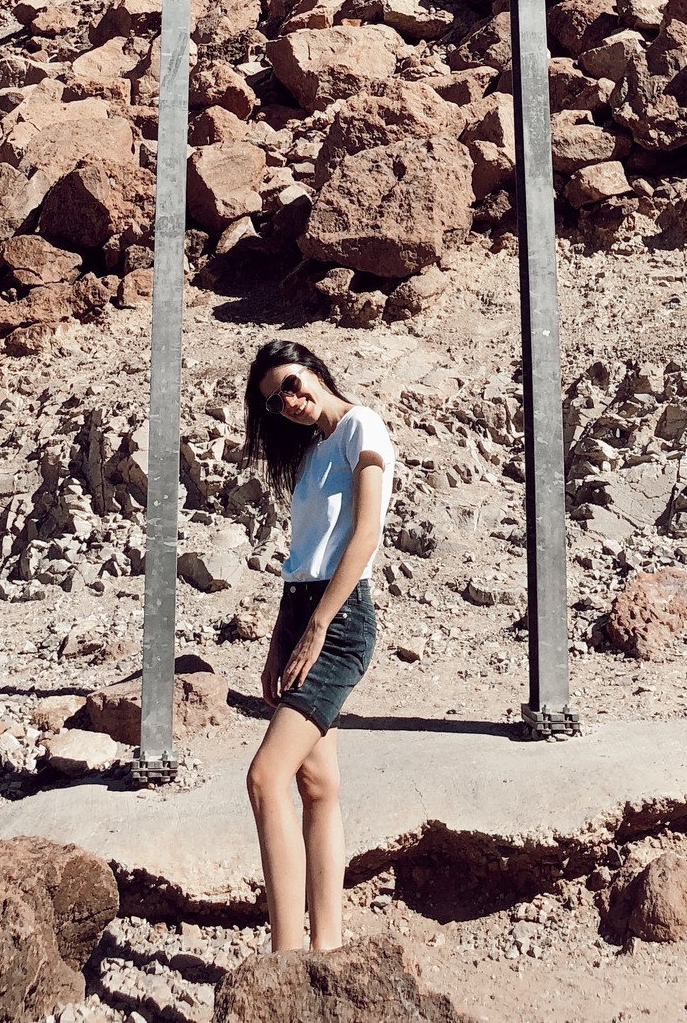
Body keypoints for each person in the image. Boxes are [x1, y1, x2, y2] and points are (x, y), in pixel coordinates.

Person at [242, 338, 394, 953]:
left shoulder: (362, 425)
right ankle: (327, 950)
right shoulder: (310, 457)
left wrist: (318, 627)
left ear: (314, 370)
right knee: (316, 785)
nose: (290, 401)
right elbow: (298, 563)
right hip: (302, 612)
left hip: (339, 619)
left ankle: (284, 956)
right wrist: (279, 642)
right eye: (275, 402)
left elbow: (365, 535)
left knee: (264, 777)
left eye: (291, 383)